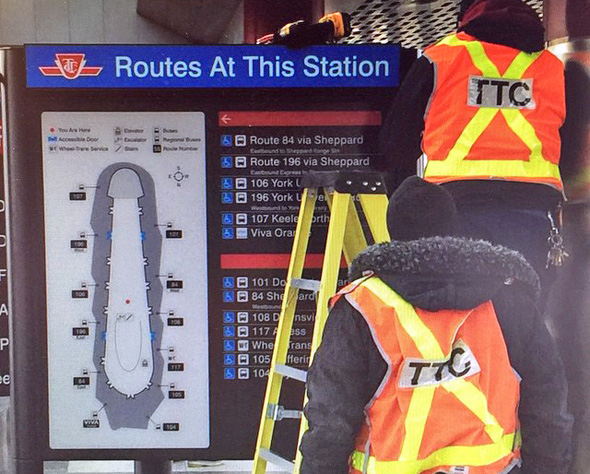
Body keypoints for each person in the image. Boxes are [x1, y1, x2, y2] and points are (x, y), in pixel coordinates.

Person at [299, 176, 572, 474]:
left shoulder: (361, 305)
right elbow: (547, 408)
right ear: (453, 226)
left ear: (394, 232)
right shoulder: (509, 300)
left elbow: (329, 421)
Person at [377, 0, 568, 310]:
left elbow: (395, 143)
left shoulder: (440, 58)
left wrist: (406, 204)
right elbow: (568, 141)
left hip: (456, 208)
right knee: (524, 311)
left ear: (464, 18)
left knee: (461, 311)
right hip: (532, 213)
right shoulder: (550, 66)